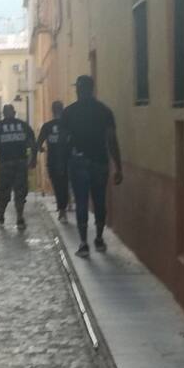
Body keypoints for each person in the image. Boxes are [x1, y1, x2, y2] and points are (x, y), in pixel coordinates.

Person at [60, 75, 123, 258]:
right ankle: (99, 239)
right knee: (99, 200)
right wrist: (118, 166)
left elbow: (63, 141)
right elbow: (111, 140)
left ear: (78, 90)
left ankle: (83, 243)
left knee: (81, 201)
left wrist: (63, 164)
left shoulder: (69, 112)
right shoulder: (104, 111)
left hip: (78, 161)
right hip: (100, 162)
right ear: (92, 89)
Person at [0, 104, 37, 230]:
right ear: (14, 113)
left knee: (4, 190)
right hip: (21, 162)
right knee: (20, 190)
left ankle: (1, 214)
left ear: (3, 114)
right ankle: (20, 217)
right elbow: (33, 144)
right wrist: (33, 159)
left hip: (5, 163)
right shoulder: (24, 126)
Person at [37, 101, 69, 223]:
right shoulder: (68, 124)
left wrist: (42, 149)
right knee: (65, 184)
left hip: (52, 160)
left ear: (52, 110)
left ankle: (62, 209)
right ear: (63, 109)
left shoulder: (47, 126)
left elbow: (39, 143)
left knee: (57, 185)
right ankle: (63, 209)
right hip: (66, 159)